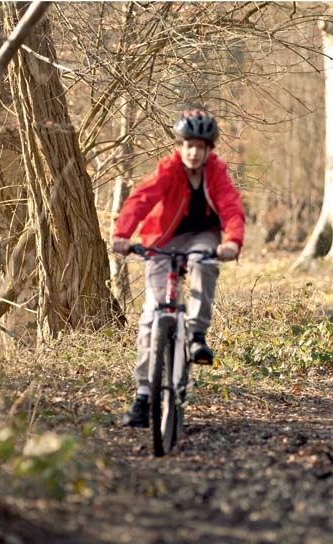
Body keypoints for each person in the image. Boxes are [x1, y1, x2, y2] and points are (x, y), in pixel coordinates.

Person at [112, 109, 245, 427]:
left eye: (200, 147)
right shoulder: (168, 170)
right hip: (164, 238)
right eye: (189, 145)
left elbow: (230, 207)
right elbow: (140, 200)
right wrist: (121, 235)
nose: (194, 152)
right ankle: (144, 396)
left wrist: (232, 242)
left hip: (203, 237)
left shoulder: (216, 172)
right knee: (151, 316)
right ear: (180, 145)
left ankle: (196, 335)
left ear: (209, 149)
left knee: (204, 262)